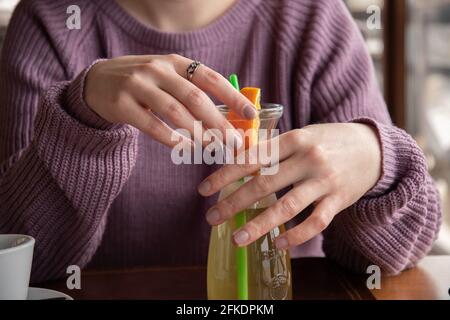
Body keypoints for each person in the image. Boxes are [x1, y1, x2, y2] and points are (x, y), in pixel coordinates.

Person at [0, 0, 441, 283]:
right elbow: (22, 263)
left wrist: (374, 158)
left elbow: (390, 259)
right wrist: (81, 117)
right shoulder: (51, 21)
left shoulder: (313, 18)